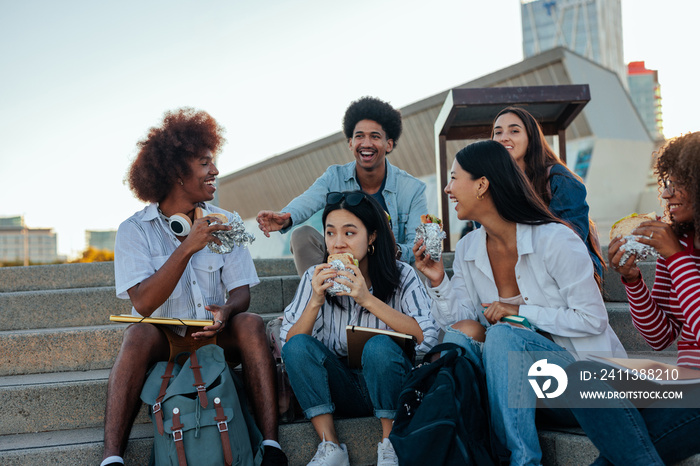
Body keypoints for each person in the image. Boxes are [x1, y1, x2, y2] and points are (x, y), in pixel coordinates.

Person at [413, 140, 625, 466]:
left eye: (454, 178)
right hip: (520, 394)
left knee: (503, 333)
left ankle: (521, 461)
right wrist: (438, 279)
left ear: (482, 185)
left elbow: (592, 319)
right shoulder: (470, 248)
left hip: (584, 387)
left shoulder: (555, 239)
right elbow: (460, 320)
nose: (447, 188)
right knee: (459, 336)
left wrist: (520, 312)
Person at [103, 108, 287, 466]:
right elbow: (142, 304)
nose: (215, 171)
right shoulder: (134, 230)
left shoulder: (225, 221)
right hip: (166, 336)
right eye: (205, 163)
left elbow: (241, 291)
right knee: (135, 335)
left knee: (250, 322)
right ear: (176, 173)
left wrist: (228, 311)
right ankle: (112, 458)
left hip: (215, 333)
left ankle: (271, 446)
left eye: (213, 162)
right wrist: (188, 247)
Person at [565, 132, 700, 465]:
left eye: (679, 183)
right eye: (665, 182)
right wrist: (632, 280)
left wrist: (675, 258)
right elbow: (660, 337)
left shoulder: (675, 252)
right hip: (685, 380)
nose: (666, 193)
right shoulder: (679, 244)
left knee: (618, 453)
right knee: (582, 376)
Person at [280, 191, 438, 466]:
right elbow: (289, 346)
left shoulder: (401, 275)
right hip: (341, 386)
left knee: (377, 345)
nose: (338, 244)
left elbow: (426, 337)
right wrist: (316, 300)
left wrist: (367, 298)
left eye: (349, 233)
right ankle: (330, 446)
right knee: (298, 344)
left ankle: (390, 443)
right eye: (330, 233)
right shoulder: (313, 277)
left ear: (372, 236)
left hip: (391, 381)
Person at [256, 96, 427, 275]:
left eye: (375, 137)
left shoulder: (412, 189)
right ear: (351, 143)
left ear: (389, 144)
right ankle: (319, 295)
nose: (366, 144)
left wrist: (392, 249)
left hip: (388, 269)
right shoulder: (335, 176)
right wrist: (285, 218)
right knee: (301, 235)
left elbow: (416, 246)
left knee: (424, 259)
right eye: (359, 136)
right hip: (342, 265)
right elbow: (308, 200)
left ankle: (409, 303)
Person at [492, 106, 605, 283]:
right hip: (518, 270)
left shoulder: (559, 179)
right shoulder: (491, 184)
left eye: (514, 131)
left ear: (531, 138)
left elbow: (570, 241)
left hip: (566, 273)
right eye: (497, 133)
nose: (503, 137)